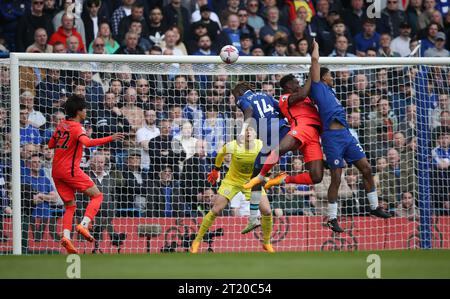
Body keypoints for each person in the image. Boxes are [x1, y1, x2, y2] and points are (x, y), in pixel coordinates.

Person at [307, 39, 391, 232]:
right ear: (322, 76)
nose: (332, 78)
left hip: (346, 135)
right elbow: (314, 62)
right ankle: (332, 217)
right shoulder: (318, 87)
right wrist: (316, 48)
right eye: (329, 75)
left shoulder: (332, 91)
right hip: (331, 138)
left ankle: (374, 206)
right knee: (336, 177)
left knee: (367, 169)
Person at [48, 95, 125, 254]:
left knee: (70, 206)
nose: (87, 112)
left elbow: (50, 144)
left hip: (56, 171)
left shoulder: (61, 125)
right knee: (97, 196)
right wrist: (111, 137)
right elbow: (88, 143)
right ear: (78, 111)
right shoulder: (78, 127)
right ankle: (83, 225)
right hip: (70, 170)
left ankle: (66, 238)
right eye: (85, 109)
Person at [243, 46, 324, 194]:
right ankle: (259, 177)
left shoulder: (306, 97)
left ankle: (281, 179)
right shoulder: (285, 98)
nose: (298, 84)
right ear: (287, 86)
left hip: (314, 134)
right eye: (295, 82)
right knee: (278, 149)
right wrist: (313, 70)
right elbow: (302, 93)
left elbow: (310, 94)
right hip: (300, 128)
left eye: (298, 83)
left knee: (317, 176)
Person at [190, 127, 274, 253]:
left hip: (251, 182)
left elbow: (272, 157)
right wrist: (216, 170)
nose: (248, 132)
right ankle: (197, 241)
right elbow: (220, 154)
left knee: (267, 211)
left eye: (251, 130)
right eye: (246, 130)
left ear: (256, 134)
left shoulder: (261, 145)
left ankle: (266, 243)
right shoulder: (233, 145)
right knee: (216, 209)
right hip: (232, 181)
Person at [231, 81, 290, 234]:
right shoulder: (267, 95)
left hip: (270, 137)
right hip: (283, 132)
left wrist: (243, 129)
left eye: (234, 97)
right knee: (256, 177)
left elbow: (249, 111)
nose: (235, 101)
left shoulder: (243, 99)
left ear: (238, 94)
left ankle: (253, 217)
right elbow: (283, 109)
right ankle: (253, 218)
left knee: (256, 178)